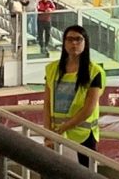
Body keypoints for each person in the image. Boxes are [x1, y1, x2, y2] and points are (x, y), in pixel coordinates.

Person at [43, 25, 105, 167]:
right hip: (56, 134)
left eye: (78, 39)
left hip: (83, 135)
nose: (74, 43)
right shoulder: (52, 69)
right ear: (64, 42)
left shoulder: (95, 71)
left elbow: (88, 108)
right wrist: (47, 132)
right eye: (69, 39)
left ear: (85, 42)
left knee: (85, 174)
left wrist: (63, 128)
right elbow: (47, 104)